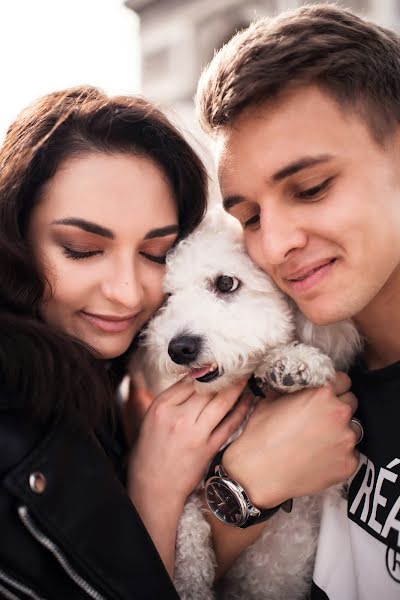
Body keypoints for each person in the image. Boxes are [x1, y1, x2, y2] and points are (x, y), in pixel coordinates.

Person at [0, 85, 250, 599]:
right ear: (14, 238)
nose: (128, 291)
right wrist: (156, 487)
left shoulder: (104, 375)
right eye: (83, 250)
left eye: (156, 253)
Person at [193, 3, 400, 599]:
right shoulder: (267, 380)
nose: (277, 245)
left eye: (310, 189)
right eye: (250, 218)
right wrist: (244, 487)